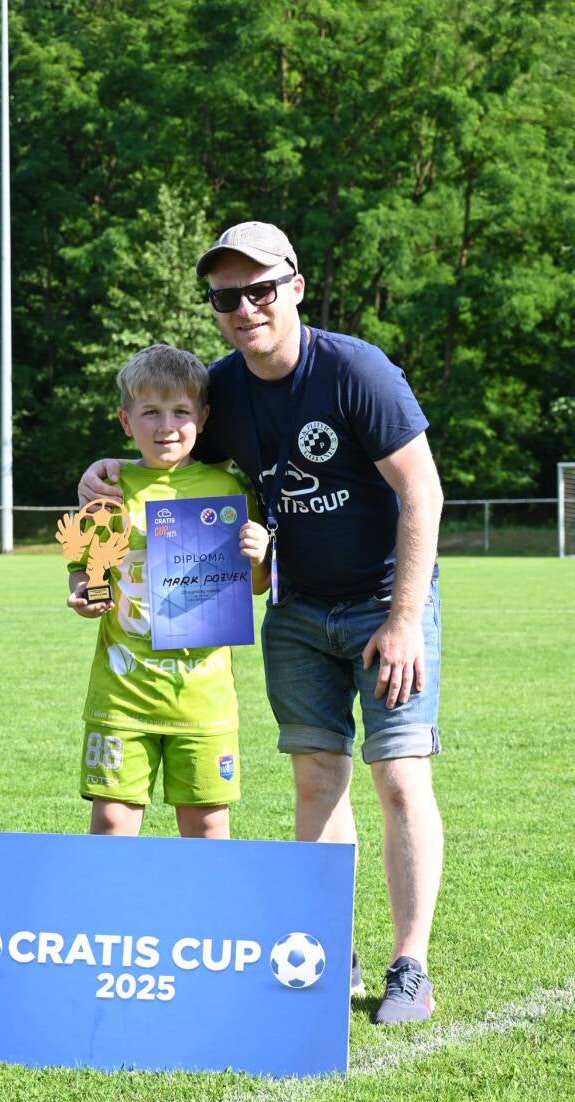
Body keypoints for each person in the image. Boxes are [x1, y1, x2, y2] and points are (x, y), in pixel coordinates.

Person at [78, 222, 445, 1024]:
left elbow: (422, 491)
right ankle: (331, 949)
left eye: (261, 290)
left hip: (386, 603)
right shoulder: (221, 390)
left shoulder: (355, 371)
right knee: (317, 779)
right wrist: (98, 473)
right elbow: (161, 446)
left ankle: (408, 965)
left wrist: (405, 619)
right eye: (226, 297)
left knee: (399, 775)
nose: (245, 308)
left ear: (295, 288)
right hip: (296, 607)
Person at [64, 342, 270, 841]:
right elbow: (84, 576)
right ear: (125, 420)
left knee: (207, 828)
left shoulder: (229, 491)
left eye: (180, 411)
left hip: (202, 700)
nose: (167, 425)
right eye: (150, 412)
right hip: (123, 697)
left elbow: (258, 586)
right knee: (112, 824)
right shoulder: (108, 491)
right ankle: (113, 899)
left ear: (203, 416)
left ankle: (205, 903)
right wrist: (84, 597)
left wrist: (260, 554)